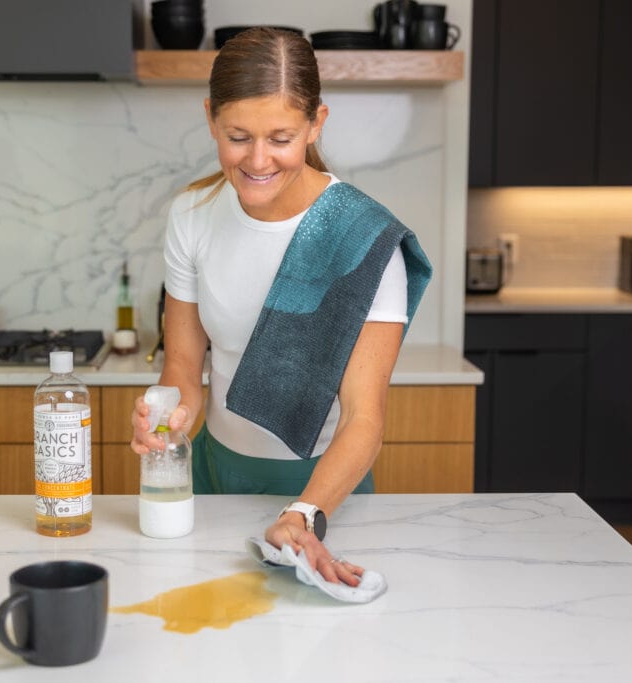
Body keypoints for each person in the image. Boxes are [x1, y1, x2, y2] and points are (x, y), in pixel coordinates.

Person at [130, 27, 431, 586]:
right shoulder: (193, 215)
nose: (258, 160)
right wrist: (166, 420)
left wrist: (305, 514)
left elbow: (365, 418)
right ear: (210, 118)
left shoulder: (364, 239)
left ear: (316, 123)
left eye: (281, 137)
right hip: (215, 474)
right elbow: (183, 367)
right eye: (238, 136)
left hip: (323, 494)